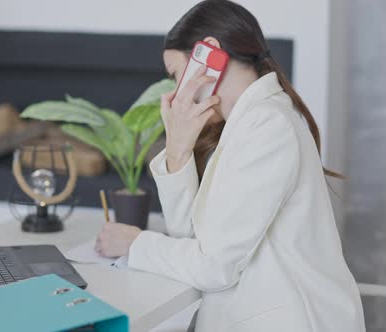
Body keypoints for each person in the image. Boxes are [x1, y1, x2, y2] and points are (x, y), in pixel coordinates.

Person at [95, 0, 366, 331]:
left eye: (176, 74)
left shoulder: (268, 126)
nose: (177, 91)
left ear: (207, 54)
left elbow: (214, 266)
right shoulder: (248, 123)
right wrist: (178, 149)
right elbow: (194, 240)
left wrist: (135, 243)